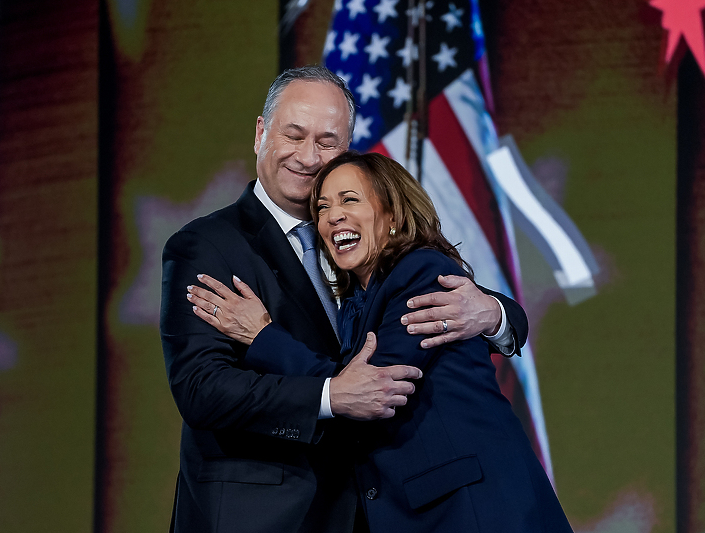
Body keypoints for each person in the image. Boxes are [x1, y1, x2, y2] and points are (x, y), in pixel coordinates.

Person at [161, 66, 529, 533]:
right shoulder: (208, 245)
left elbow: (413, 289)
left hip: (370, 513)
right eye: (293, 134)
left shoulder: (356, 240)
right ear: (261, 133)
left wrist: (494, 312)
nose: (308, 156)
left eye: (327, 142)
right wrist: (331, 395)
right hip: (259, 517)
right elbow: (202, 389)